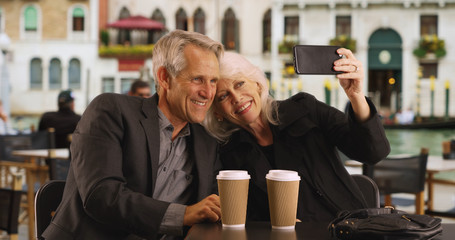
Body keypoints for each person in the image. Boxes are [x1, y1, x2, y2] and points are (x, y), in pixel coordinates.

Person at [42, 30, 224, 240]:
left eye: (213, 81)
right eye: (197, 79)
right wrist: (185, 214)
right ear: (165, 78)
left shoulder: (207, 142)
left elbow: (211, 209)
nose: (208, 92)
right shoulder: (111, 110)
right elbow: (101, 195)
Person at [202, 50, 390, 222]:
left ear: (258, 85)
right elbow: (241, 216)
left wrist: (356, 96)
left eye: (240, 84)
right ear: (217, 112)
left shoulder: (305, 108)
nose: (236, 97)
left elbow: (373, 153)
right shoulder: (227, 153)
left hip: (350, 228)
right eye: (223, 96)